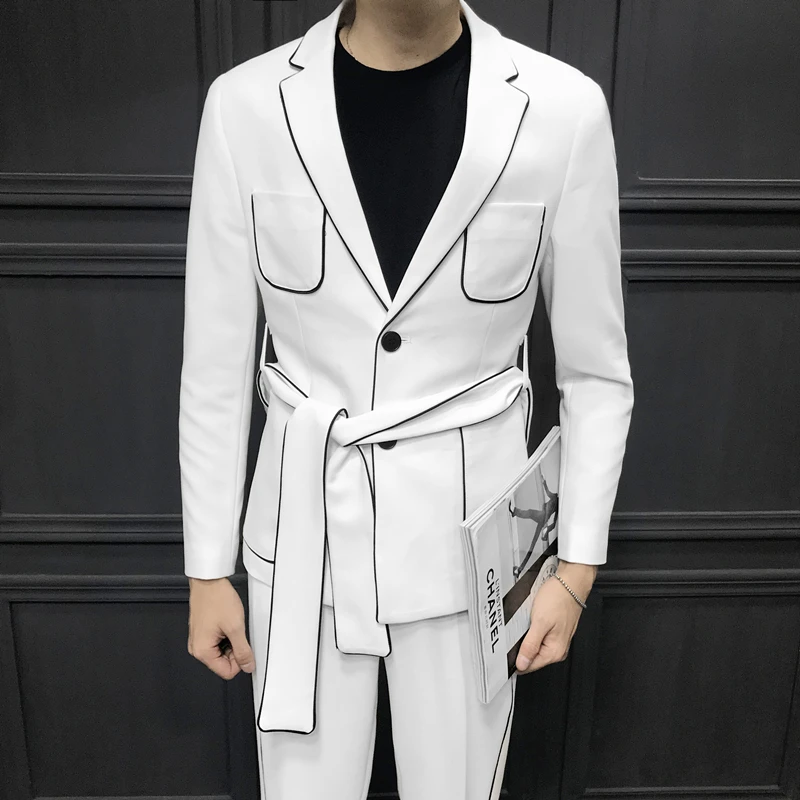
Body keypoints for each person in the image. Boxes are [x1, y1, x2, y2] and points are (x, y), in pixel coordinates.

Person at [178, 0, 634, 798]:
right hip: (304, 539)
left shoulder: (563, 111)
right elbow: (214, 366)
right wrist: (208, 570)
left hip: (472, 554)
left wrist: (576, 569)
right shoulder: (246, 107)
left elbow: (596, 372)